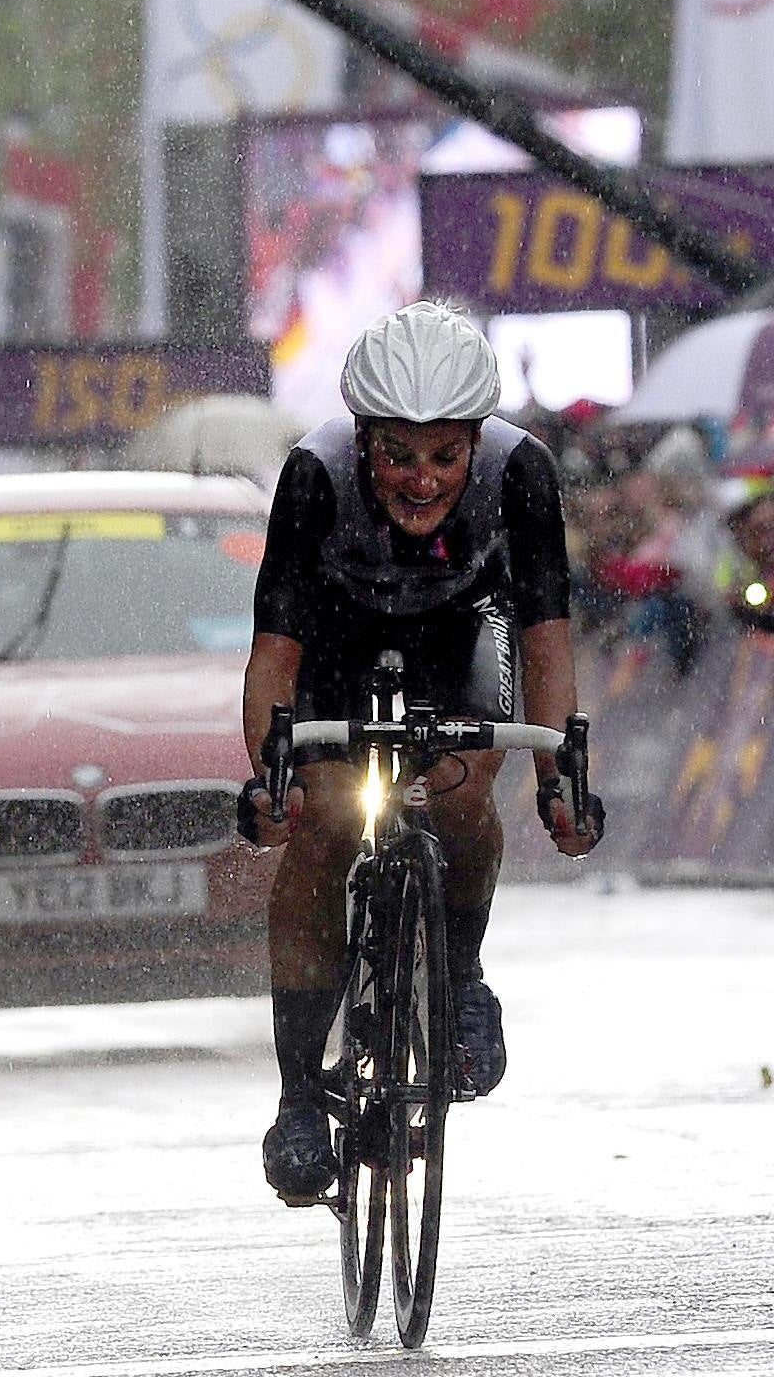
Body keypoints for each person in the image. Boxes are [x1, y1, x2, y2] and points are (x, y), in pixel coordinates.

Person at [235, 300, 604, 1204]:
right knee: (323, 822)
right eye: (397, 453)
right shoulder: (313, 474)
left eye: (445, 454)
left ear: (478, 439)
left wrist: (559, 777)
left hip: (462, 630)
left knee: (459, 793)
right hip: (335, 634)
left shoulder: (521, 471)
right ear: (361, 439)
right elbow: (273, 659)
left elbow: (546, 638)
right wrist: (270, 779)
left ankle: (462, 973)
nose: (420, 478)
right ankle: (295, 1094)